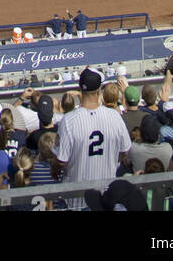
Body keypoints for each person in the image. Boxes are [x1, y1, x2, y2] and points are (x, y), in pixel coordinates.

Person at [54, 69, 131, 206]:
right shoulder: (114, 116)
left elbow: (60, 161)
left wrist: (55, 171)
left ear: (81, 89)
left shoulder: (68, 120)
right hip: (107, 197)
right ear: (99, 91)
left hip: (78, 199)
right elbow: (125, 150)